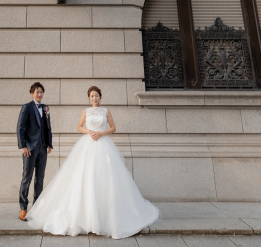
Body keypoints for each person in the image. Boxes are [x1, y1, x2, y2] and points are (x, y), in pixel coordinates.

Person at [25, 86, 160, 239]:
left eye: (96, 96)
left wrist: (101, 133)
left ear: (100, 97)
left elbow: (113, 128)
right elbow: (79, 127)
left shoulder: (106, 111)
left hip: (104, 144)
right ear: (89, 98)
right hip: (88, 144)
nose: (94, 98)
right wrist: (90, 132)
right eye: (92, 96)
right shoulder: (85, 112)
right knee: (85, 176)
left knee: (105, 177)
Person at [16, 82, 53, 221]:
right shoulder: (27, 107)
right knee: (27, 177)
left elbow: (48, 127)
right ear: (32, 94)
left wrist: (49, 144)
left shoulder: (45, 108)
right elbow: (20, 128)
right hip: (29, 148)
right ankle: (23, 207)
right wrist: (23, 146)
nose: (39, 94)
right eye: (37, 92)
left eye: (41, 92)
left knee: (40, 178)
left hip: (43, 147)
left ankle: (37, 208)